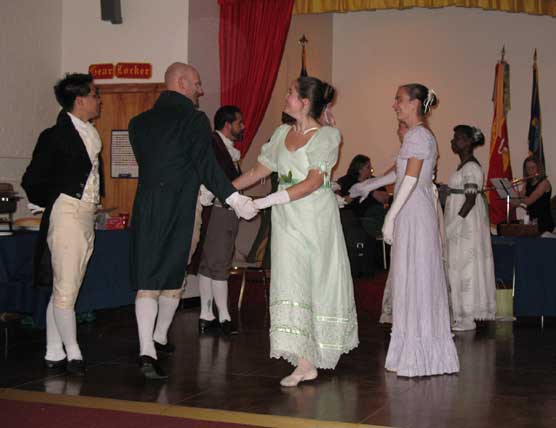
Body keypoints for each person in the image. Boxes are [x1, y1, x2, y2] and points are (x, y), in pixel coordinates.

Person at [128, 63, 257, 380]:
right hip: (179, 207)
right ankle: (155, 341)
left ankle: (150, 347)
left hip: (146, 206)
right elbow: (206, 166)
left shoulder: (138, 123)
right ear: (181, 82)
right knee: (172, 274)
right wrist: (235, 199)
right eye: (197, 84)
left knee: (148, 276)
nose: (200, 90)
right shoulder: (193, 119)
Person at [232, 76, 358, 387]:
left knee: (316, 279)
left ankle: (313, 357)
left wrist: (263, 202)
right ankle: (304, 360)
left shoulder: (327, 135)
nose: (285, 97)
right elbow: (259, 170)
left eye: (290, 93)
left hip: (315, 217)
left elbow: (315, 181)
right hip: (287, 218)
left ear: (303, 103)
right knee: (290, 280)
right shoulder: (280, 133)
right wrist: (222, 191)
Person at [366, 83, 458, 377]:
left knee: (417, 277)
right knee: (409, 277)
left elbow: (411, 178)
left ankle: (422, 356)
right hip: (411, 211)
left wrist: (391, 215)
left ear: (415, 103)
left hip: (415, 213)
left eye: (399, 100)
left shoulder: (419, 135)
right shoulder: (416, 137)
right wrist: (366, 185)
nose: (395, 105)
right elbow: (400, 173)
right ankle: (410, 352)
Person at [21, 73, 104, 376]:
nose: (99, 100)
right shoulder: (54, 135)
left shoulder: (91, 133)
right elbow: (32, 180)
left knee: (65, 288)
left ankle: (53, 351)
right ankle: (74, 352)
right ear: (80, 99)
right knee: (67, 289)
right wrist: (52, 203)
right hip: (67, 212)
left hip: (85, 215)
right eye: (95, 94)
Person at [197, 105, 245, 336]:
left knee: (208, 265)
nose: (242, 126)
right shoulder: (217, 147)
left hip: (214, 210)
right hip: (219, 210)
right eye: (239, 122)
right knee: (218, 265)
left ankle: (207, 316)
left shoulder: (220, 146)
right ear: (228, 125)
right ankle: (224, 317)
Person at [444, 125, 496, 331]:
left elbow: (471, 199)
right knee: (456, 266)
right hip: (459, 219)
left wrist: (454, 225)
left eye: (457, 138)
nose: (453, 141)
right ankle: (459, 313)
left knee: (465, 265)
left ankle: (467, 316)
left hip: (466, 224)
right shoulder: (462, 166)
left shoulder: (472, 168)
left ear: (467, 142)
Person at [515, 156, 554, 233]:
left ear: (538, 168)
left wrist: (517, 197)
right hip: (531, 221)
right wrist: (508, 192)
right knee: (502, 226)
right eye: (527, 168)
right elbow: (517, 201)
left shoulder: (544, 183)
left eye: (533, 168)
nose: (530, 171)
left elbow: (529, 201)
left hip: (543, 223)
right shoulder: (527, 183)